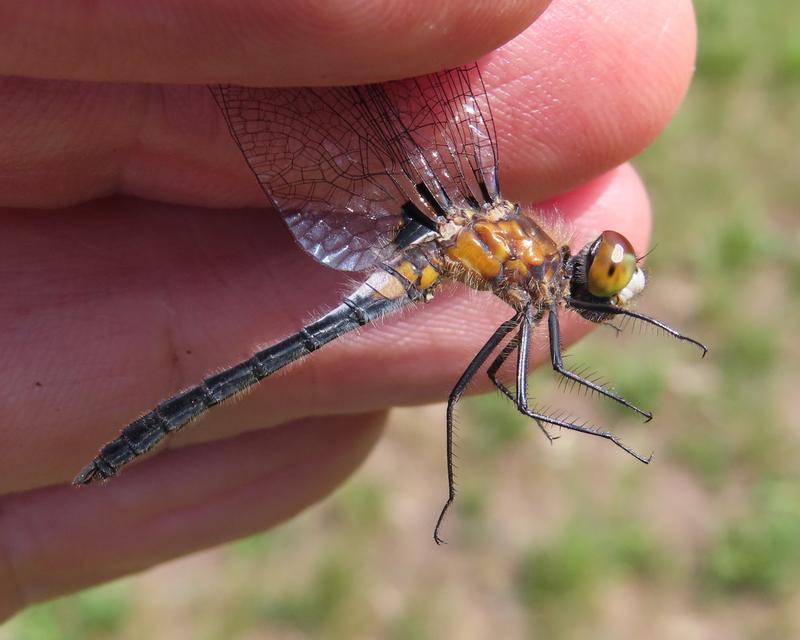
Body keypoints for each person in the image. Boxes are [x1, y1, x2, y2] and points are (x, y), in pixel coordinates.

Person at [0, 0, 697, 618]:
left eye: (611, 279)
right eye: (610, 278)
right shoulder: (528, 262)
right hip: (436, 248)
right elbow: (519, 389)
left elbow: (508, 385)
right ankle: (133, 439)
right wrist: (615, 427)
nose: (608, 286)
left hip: (440, 239)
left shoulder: (530, 261)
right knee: (495, 390)